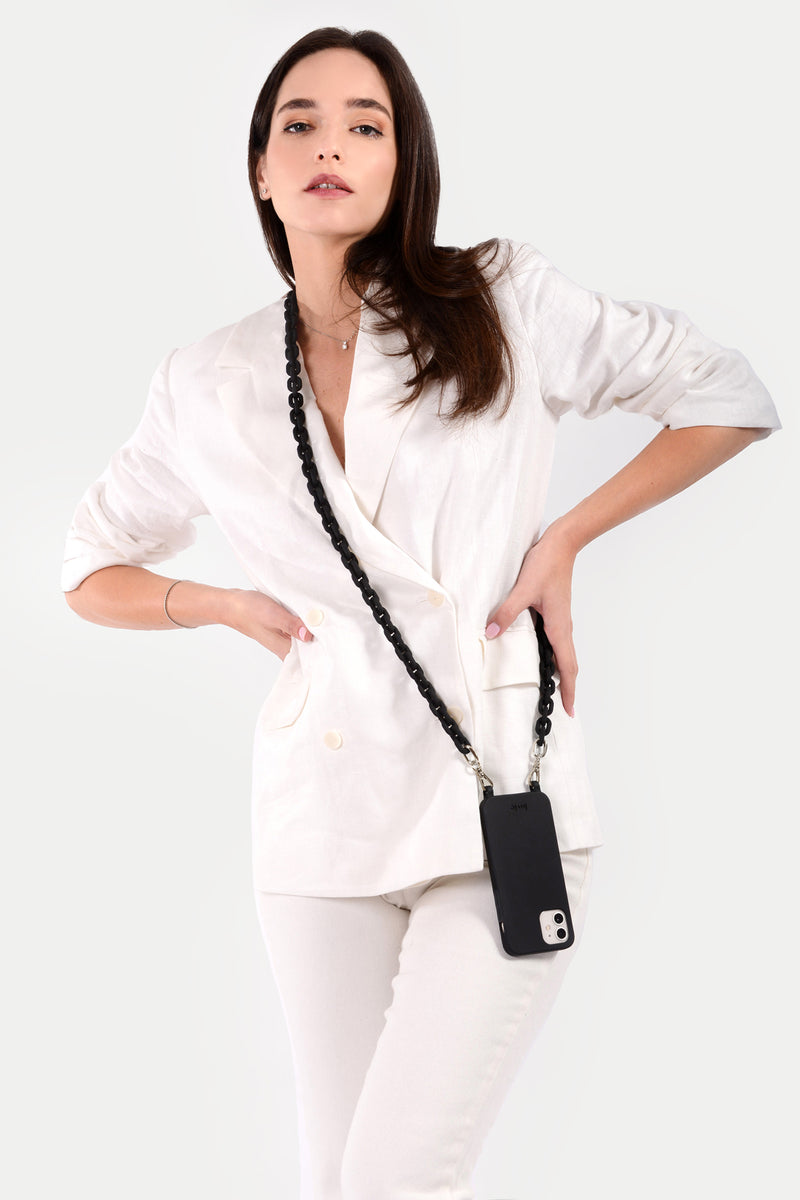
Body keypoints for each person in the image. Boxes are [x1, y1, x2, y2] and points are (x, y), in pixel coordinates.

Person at [61, 26, 780, 1200]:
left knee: (393, 1176)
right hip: (320, 819)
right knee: (337, 1177)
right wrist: (217, 602)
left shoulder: (496, 296)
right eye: (298, 123)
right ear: (259, 170)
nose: (329, 146)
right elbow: (90, 569)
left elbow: (725, 396)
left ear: (402, 165)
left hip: (492, 790)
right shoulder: (207, 377)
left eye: (365, 124)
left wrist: (563, 538)